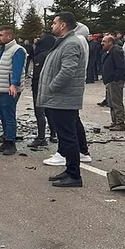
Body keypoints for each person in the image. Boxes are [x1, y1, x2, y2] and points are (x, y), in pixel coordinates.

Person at [37, 12, 87, 187]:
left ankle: (74, 175)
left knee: (68, 137)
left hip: (63, 99)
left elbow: (68, 71)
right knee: (65, 137)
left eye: (54, 23)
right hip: (59, 99)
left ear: (63, 25)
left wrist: (52, 87)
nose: (52, 26)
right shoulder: (63, 42)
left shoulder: (71, 43)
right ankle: (69, 170)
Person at [0, 26, 27, 156]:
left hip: (9, 89)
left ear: (9, 36)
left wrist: (14, 84)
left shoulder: (17, 50)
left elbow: (17, 68)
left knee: (9, 116)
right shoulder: (3, 50)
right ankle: (6, 139)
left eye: (1, 35)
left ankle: (11, 143)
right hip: (1, 88)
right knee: (3, 115)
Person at [27, 33, 57, 147]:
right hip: (51, 87)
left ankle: (41, 137)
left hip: (40, 87)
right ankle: (53, 134)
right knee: (50, 112)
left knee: (39, 112)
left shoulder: (41, 55)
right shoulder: (53, 54)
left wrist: (34, 86)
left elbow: (37, 74)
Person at [101, 36, 125, 131]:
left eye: (104, 41)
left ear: (110, 42)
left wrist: (115, 78)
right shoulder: (108, 52)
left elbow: (120, 66)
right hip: (109, 80)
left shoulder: (116, 51)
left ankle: (120, 123)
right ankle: (115, 121)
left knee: (116, 102)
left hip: (115, 81)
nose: (102, 43)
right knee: (111, 102)